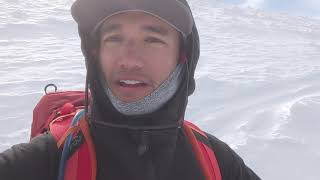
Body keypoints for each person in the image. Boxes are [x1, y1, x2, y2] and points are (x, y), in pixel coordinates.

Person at [0, 0, 261, 179]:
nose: (129, 60)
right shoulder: (46, 161)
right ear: (95, 53)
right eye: (114, 38)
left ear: (183, 56)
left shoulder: (217, 162)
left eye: (152, 39)